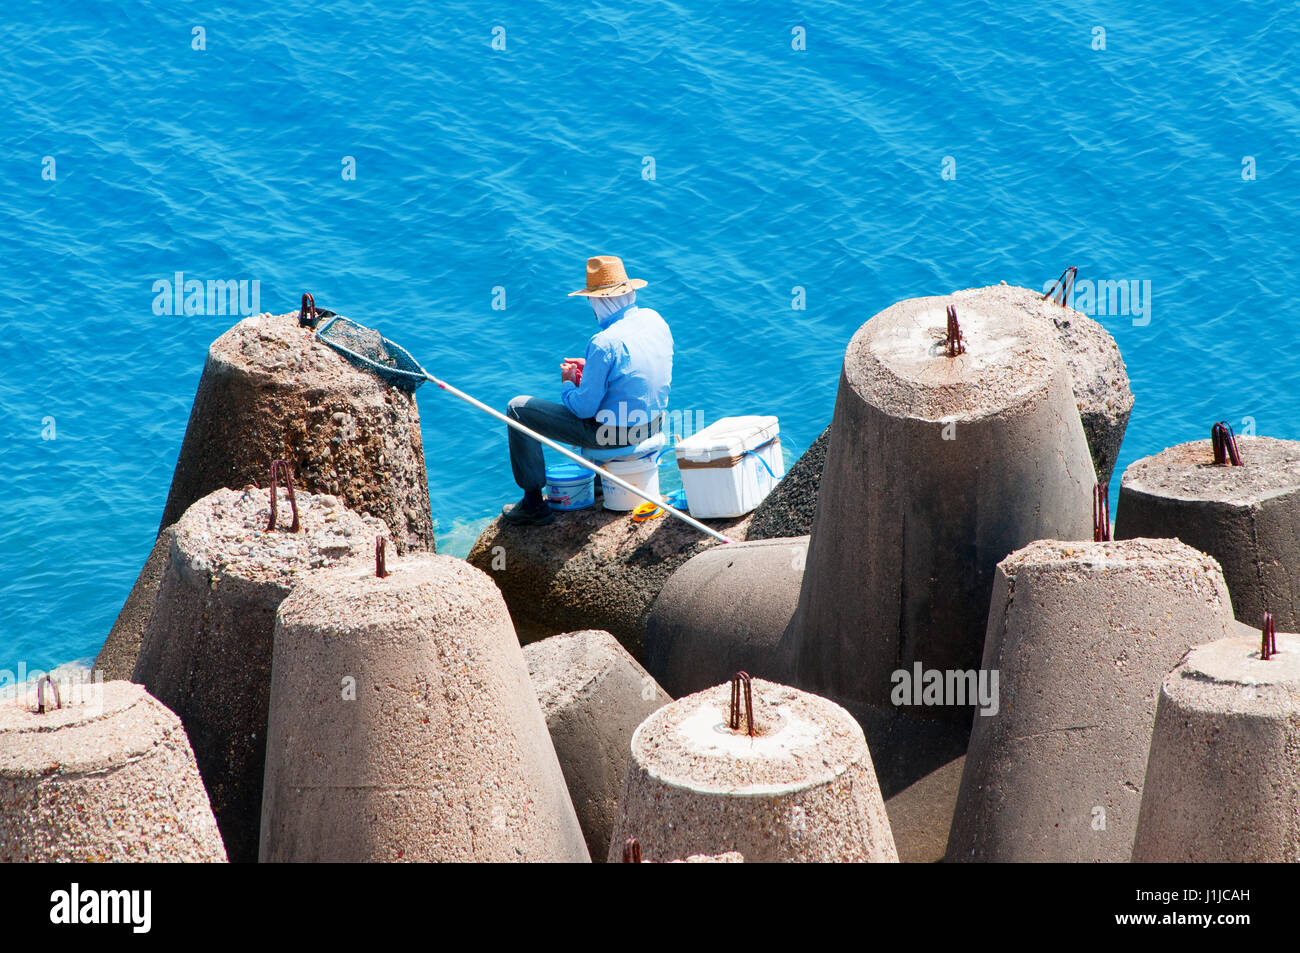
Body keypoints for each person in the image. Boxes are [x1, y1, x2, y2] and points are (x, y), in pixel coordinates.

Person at [502, 255, 673, 525]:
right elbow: (634, 375)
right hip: (652, 426)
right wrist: (593, 368)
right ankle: (597, 482)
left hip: (613, 436)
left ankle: (533, 504)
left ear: (598, 300)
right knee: (612, 403)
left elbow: (583, 408)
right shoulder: (655, 320)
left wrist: (568, 383)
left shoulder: (604, 342)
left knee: (518, 408)